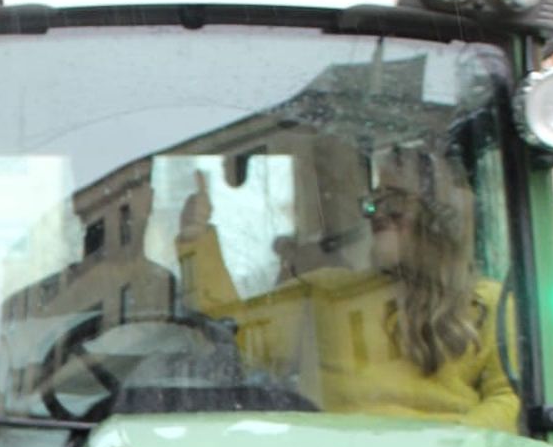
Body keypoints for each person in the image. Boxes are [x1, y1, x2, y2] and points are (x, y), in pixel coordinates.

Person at [174, 150, 520, 431]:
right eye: (372, 201)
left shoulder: (489, 303)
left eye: (394, 201)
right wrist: (196, 238)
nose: (375, 214)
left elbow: (509, 397)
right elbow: (230, 333)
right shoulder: (326, 294)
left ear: (441, 215)